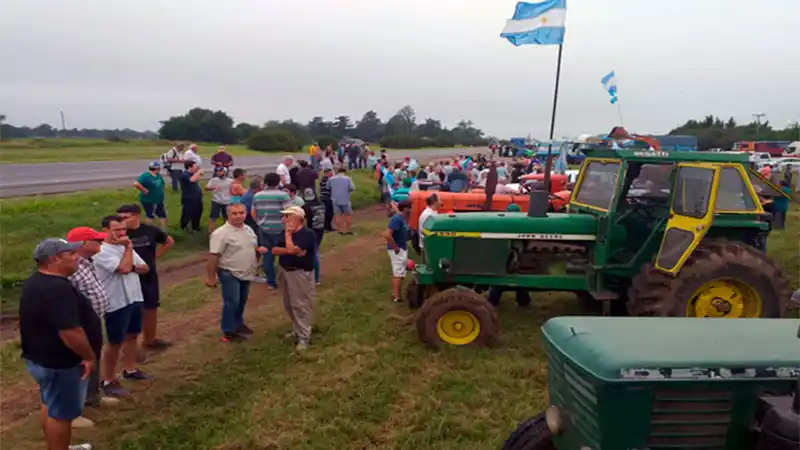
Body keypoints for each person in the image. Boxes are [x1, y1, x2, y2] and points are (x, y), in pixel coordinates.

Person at [20, 238, 100, 450]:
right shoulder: (57, 289)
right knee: (61, 415)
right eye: (71, 254)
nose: (77, 258)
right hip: (61, 363)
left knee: (50, 404)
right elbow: (70, 332)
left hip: (41, 359)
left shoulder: (35, 281)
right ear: (55, 258)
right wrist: (89, 357)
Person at [93, 216, 151, 398]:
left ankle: (130, 368)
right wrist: (128, 251)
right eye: (117, 230)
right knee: (115, 341)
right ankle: (108, 379)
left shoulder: (124, 248)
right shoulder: (101, 250)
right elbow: (124, 269)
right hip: (115, 301)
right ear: (105, 230)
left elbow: (145, 267)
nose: (122, 234)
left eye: (124, 230)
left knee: (132, 335)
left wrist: (129, 262)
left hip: (134, 296)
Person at [65, 227, 120, 418]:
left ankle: (93, 396)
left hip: (93, 321)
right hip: (78, 325)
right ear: (83, 245)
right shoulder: (70, 268)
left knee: (94, 356)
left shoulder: (87, 262)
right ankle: (73, 409)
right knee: (78, 363)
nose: (101, 242)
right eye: (96, 240)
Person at [115, 204, 174, 351]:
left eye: (125, 217)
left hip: (148, 275)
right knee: (130, 310)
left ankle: (150, 339)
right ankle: (126, 345)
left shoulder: (150, 230)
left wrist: (157, 255)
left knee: (151, 307)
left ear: (136, 216)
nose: (122, 221)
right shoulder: (119, 234)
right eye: (119, 218)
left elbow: (169, 241)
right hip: (128, 276)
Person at [206, 203, 264, 343]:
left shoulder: (249, 229)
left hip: (246, 271)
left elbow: (253, 248)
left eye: (241, 213)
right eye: (235, 213)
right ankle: (228, 331)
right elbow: (213, 256)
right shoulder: (221, 233)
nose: (239, 216)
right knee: (231, 302)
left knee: (242, 300)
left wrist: (257, 257)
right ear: (228, 215)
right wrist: (211, 278)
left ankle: (238, 325)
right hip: (229, 272)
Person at [272, 206, 317, 351]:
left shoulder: (307, 234)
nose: (283, 219)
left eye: (286, 216)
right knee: (288, 304)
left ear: (297, 218)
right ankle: (297, 329)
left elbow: (295, 251)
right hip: (284, 270)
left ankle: (304, 336)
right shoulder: (284, 232)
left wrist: (288, 237)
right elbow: (274, 250)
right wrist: (289, 249)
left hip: (300, 273)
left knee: (300, 304)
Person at [252, 173, 293, 289]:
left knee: (267, 254)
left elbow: (253, 213)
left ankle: (271, 282)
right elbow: (289, 212)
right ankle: (285, 279)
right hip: (280, 228)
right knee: (285, 253)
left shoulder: (257, 196)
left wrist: (259, 223)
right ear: (277, 182)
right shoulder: (283, 195)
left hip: (263, 228)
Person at [384, 200, 411, 303]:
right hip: (396, 250)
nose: (412, 209)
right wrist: (395, 248)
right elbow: (387, 235)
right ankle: (396, 296)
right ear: (405, 209)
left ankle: (397, 293)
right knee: (398, 273)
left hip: (402, 248)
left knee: (401, 272)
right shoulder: (397, 219)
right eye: (410, 207)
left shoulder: (401, 218)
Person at [302, 188, 326, 285]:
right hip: (320, 229)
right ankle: (315, 277)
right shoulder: (321, 204)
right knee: (315, 252)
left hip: (310, 231)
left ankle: (314, 278)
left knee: (311, 254)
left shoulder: (306, 206)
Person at [134, 161, 168, 229]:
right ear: (157, 168)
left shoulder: (158, 175)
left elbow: (162, 184)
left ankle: (164, 230)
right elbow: (136, 184)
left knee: (162, 214)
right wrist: (144, 190)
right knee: (150, 214)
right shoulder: (145, 175)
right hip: (149, 200)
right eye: (159, 168)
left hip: (159, 200)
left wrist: (162, 192)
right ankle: (148, 229)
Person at [206, 166, 233, 233]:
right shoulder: (213, 180)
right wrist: (213, 187)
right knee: (213, 217)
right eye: (217, 171)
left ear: (225, 172)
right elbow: (206, 188)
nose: (219, 173)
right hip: (216, 201)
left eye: (221, 171)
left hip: (227, 202)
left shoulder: (231, 181)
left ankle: (227, 231)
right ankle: (211, 232)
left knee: (226, 217)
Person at [329, 168, 355, 235]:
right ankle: (348, 230)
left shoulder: (331, 179)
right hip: (345, 199)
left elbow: (328, 187)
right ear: (344, 172)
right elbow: (352, 188)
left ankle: (340, 231)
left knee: (337, 216)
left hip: (335, 200)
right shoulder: (347, 179)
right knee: (348, 215)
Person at [180, 161, 204, 233]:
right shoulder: (184, 174)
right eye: (194, 166)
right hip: (189, 198)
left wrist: (198, 174)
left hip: (197, 197)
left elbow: (195, 179)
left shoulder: (192, 174)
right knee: (187, 213)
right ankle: (183, 227)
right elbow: (192, 180)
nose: (196, 167)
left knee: (198, 212)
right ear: (190, 167)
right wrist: (198, 172)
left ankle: (195, 227)